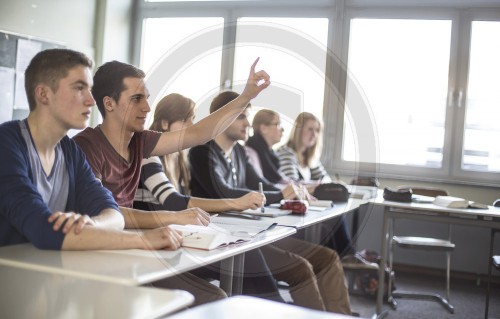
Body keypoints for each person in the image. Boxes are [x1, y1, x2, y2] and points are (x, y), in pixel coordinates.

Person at [72, 59, 282, 303]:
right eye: (136, 99)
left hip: (134, 248)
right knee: (212, 297)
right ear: (108, 103)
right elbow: (106, 212)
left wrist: (247, 95)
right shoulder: (86, 146)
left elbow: (198, 133)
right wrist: (173, 216)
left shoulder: (140, 141)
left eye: (147, 98)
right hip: (101, 255)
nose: (147, 107)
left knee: (216, 294)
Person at [0, 48, 183, 252]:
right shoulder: (6, 143)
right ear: (43, 94)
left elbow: (113, 214)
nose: (91, 100)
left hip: (48, 271)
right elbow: (44, 231)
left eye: (89, 89)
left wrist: (92, 225)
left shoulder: (69, 150)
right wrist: (142, 240)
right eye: (79, 88)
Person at [189, 91, 353, 314]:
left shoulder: (237, 151)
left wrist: (289, 190)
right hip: (226, 240)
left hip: (252, 232)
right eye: (241, 117)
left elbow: (261, 183)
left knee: (328, 257)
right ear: (220, 117)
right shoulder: (202, 151)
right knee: (301, 268)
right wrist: (281, 194)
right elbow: (223, 191)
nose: (248, 123)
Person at [134, 93, 264, 213]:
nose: (192, 125)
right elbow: (174, 201)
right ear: (164, 123)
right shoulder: (149, 156)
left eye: (193, 119)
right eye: (185, 120)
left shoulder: (181, 159)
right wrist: (236, 203)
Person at [276, 112, 356, 257]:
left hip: (308, 206)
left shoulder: (310, 158)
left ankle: (346, 258)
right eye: (310, 129)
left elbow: (326, 181)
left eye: (317, 130)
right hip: (291, 210)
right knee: (333, 220)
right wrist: (316, 185)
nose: (314, 134)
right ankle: (347, 257)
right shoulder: (286, 153)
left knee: (335, 215)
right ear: (298, 130)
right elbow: (293, 185)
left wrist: (317, 185)